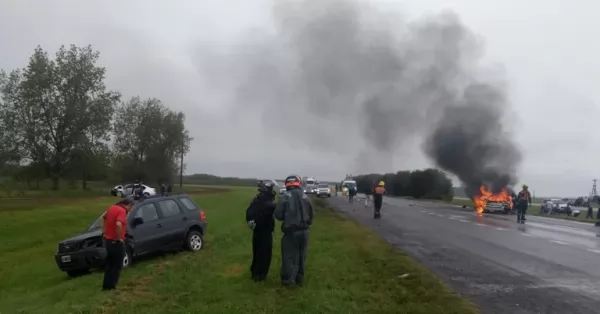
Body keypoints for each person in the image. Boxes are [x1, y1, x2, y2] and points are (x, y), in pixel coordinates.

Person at [274, 175, 314, 287]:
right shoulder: (306, 197)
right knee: (302, 255)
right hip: (305, 231)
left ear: (287, 184)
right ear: (299, 183)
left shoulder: (285, 196)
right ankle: (299, 278)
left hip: (290, 232)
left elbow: (278, 215)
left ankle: (288, 280)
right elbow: (311, 216)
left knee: (289, 256)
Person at [101, 196, 135, 290]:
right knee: (117, 265)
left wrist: (104, 232)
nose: (130, 210)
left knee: (110, 265)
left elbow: (104, 219)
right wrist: (119, 238)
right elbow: (118, 224)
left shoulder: (112, 208)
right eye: (131, 207)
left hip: (108, 241)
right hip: (116, 242)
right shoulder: (122, 211)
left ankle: (106, 286)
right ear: (128, 204)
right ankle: (112, 286)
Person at [245, 181, 276, 282]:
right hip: (265, 232)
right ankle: (260, 275)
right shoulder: (266, 202)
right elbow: (274, 208)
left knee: (257, 252)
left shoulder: (257, 200)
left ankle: (255, 273)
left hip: (257, 232)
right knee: (265, 254)